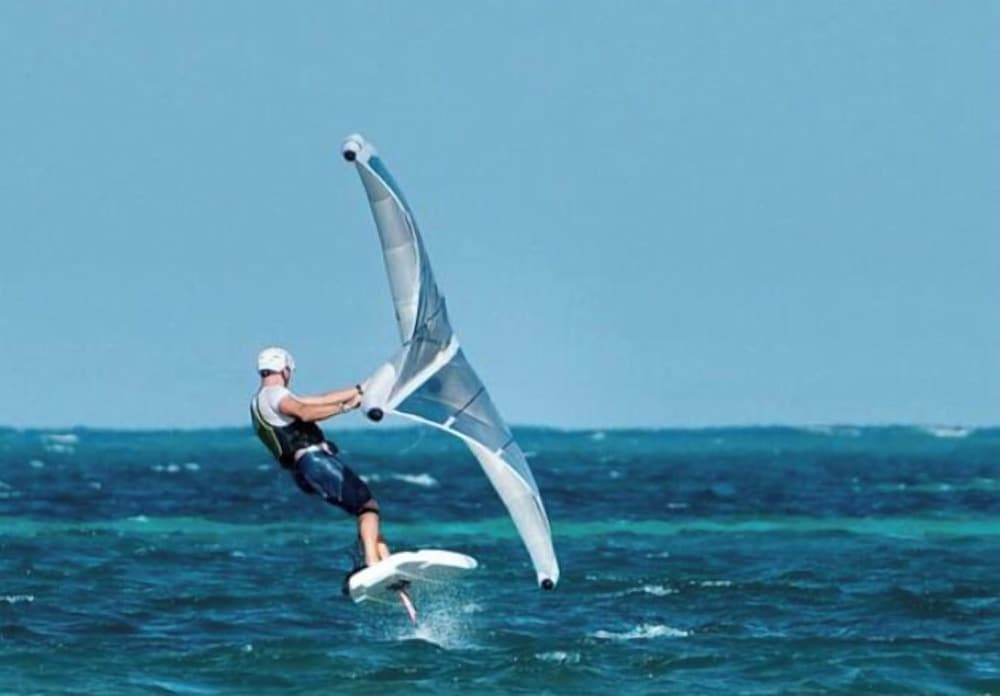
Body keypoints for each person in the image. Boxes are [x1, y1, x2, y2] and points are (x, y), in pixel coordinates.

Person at [250, 346, 389, 569]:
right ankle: (372, 563)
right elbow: (305, 412)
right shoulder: (276, 395)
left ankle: (385, 562)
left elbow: (319, 400)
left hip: (303, 472)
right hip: (316, 462)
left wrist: (359, 389)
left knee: (364, 511)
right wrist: (345, 407)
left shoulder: (261, 400)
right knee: (367, 506)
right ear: (285, 370)